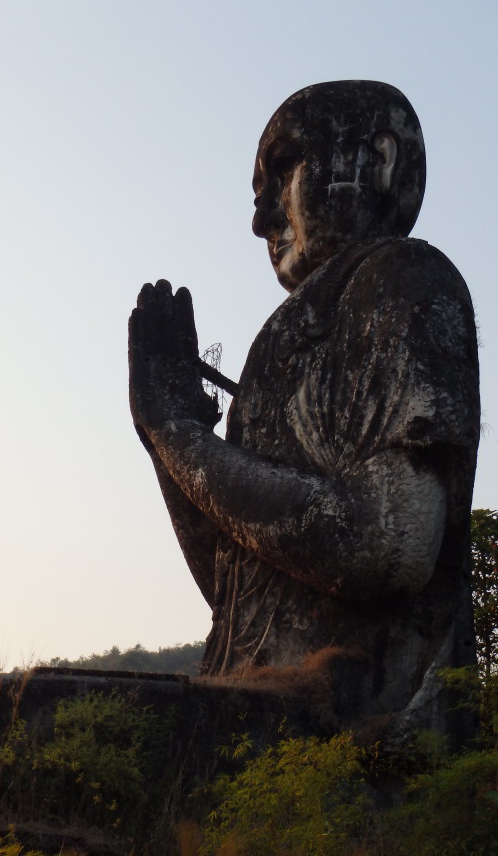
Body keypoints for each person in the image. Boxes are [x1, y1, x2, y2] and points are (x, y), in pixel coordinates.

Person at [128, 81, 479, 743]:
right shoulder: (291, 332)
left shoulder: (401, 278)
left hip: (356, 728)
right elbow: (240, 588)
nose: (262, 215)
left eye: (285, 166)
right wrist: (170, 437)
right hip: (266, 713)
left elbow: (388, 546)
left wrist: (177, 435)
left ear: (376, 160)